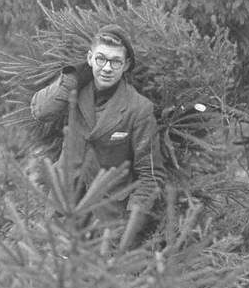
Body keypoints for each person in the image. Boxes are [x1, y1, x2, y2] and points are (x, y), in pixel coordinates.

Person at [29, 24, 159, 250]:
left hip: (107, 226)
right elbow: (41, 111)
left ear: (126, 65)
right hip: (63, 215)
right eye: (101, 59)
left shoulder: (139, 109)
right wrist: (72, 79)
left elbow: (149, 175)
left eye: (115, 61)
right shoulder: (74, 91)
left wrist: (128, 230)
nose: (107, 68)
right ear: (89, 58)